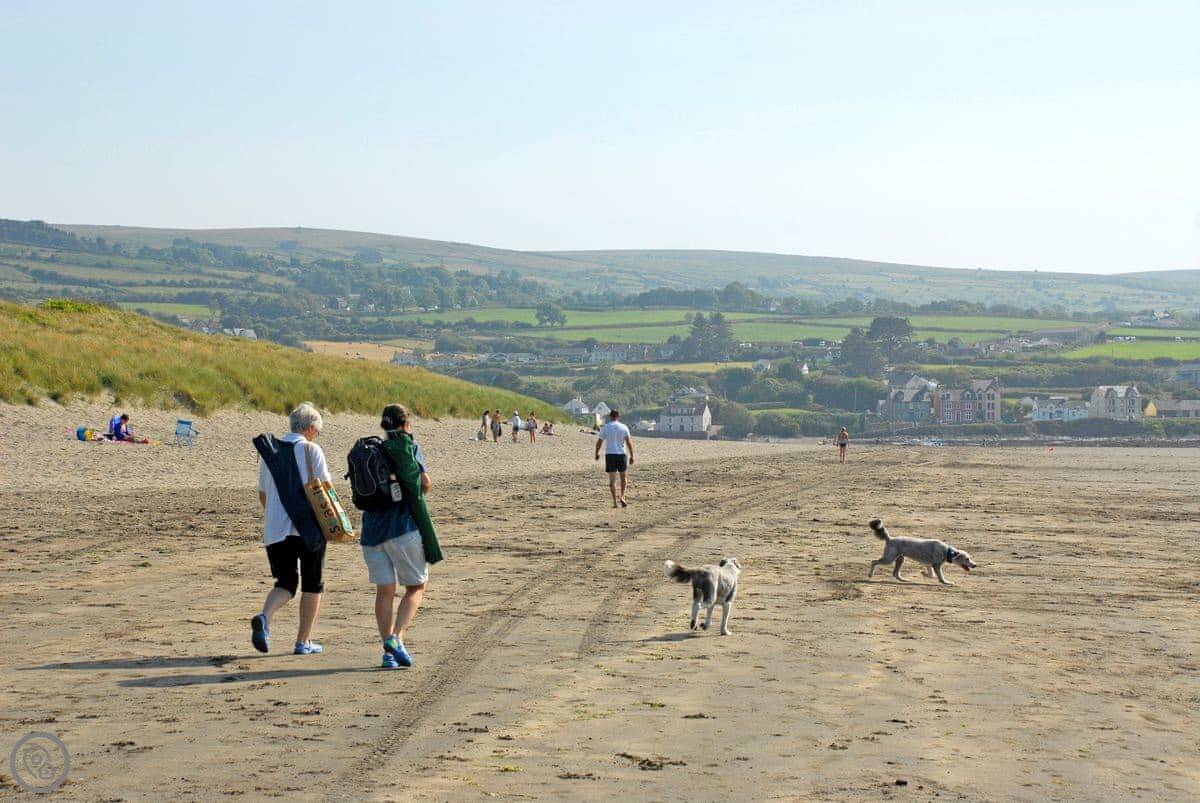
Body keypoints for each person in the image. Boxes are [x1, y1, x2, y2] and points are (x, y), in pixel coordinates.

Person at [360, 404, 440, 669]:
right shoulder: (409, 446)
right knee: (416, 587)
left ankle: (389, 653)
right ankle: (396, 638)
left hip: (371, 531)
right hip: (402, 528)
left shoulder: (372, 449)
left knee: (384, 591)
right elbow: (424, 483)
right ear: (406, 424)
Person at [251, 402, 329, 656]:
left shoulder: (270, 452)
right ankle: (302, 641)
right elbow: (325, 489)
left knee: (285, 583)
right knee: (312, 584)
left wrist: (278, 515)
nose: (316, 435)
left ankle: (264, 617)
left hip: (275, 530)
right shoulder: (311, 449)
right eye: (316, 431)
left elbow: (263, 495)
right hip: (309, 528)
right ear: (309, 428)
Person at [594, 409, 634, 508]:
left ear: (610, 416)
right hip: (621, 454)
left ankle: (615, 502)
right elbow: (629, 442)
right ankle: (622, 496)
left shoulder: (606, 427)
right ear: (618, 416)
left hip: (610, 454)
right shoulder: (624, 427)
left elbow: (599, 442)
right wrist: (632, 455)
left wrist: (597, 453)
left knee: (612, 480)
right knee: (623, 478)